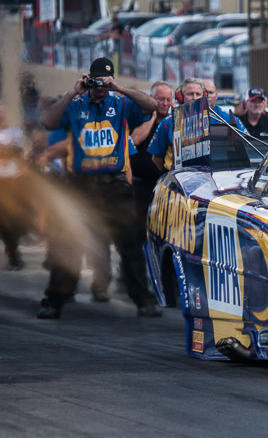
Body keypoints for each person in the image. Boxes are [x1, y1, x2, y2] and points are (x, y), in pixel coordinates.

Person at [37, 57, 161, 319]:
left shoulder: (121, 102)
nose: (100, 86)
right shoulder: (75, 104)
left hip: (114, 185)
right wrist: (73, 91)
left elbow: (151, 106)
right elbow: (48, 121)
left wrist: (119, 87)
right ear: (88, 79)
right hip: (81, 187)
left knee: (129, 242)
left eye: (104, 81)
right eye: (96, 81)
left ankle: (144, 300)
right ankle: (54, 299)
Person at [148, 78, 247, 172]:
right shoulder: (168, 122)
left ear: (204, 96)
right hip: (179, 182)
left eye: (198, 94)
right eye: (190, 94)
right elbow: (156, 158)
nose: (194, 97)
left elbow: (245, 143)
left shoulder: (223, 118)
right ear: (181, 97)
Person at [130, 81, 173, 242]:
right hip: (140, 185)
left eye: (168, 99)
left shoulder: (172, 122)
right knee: (138, 230)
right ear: (151, 98)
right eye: (160, 99)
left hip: (162, 185)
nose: (165, 103)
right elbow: (135, 139)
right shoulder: (141, 117)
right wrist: (153, 117)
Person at [0, 103, 28, 270]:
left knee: (11, 221)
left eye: (2, 112)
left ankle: (13, 253)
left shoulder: (15, 133)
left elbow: (22, 153)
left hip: (12, 181)